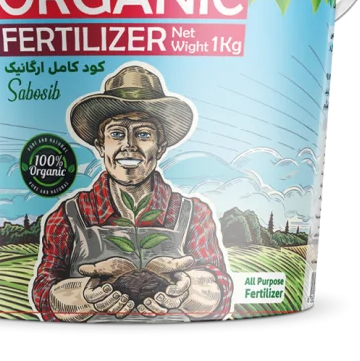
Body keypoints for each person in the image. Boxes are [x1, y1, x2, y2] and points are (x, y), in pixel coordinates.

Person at [32, 65, 233, 322]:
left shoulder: (193, 214)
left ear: (160, 148)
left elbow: (220, 294)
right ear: (101, 146)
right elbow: (44, 294)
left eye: (143, 134)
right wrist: (85, 295)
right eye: (117, 133)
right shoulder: (69, 215)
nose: (129, 145)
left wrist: (185, 288)